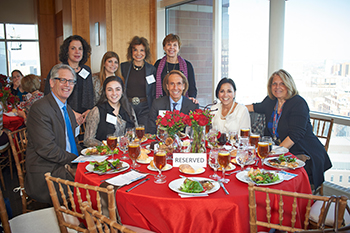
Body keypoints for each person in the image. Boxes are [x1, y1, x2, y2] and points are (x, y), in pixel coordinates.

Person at [246, 69, 332, 189]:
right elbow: (255, 107)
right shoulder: (272, 101)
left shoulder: (298, 103)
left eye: (282, 83)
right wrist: (231, 105)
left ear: (289, 85)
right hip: (280, 150)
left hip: (303, 151)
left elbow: (295, 135)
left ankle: (286, 202)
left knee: (277, 176)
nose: (277, 87)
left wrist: (274, 154)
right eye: (274, 84)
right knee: (259, 170)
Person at [25, 64, 80, 204]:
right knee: (94, 187)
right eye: (62, 80)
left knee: (101, 176)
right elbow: (47, 149)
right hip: (47, 171)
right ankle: (86, 223)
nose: (68, 85)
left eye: (71, 81)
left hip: (64, 164)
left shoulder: (67, 109)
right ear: (51, 82)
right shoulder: (40, 109)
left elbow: (71, 142)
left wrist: (88, 156)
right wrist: (77, 160)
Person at [44, 35, 94, 126]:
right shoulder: (58, 70)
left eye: (80, 49)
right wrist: (70, 112)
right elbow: (49, 95)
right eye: (73, 48)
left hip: (84, 119)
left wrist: (89, 111)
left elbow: (91, 94)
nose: (77, 52)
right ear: (67, 51)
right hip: (63, 116)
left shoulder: (86, 70)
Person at [84, 76, 137, 147]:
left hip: (126, 153)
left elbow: (136, 132)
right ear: (105, 92)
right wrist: (106, 145)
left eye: (117, 89)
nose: (114, 93)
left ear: (122, 91)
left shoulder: (128, 108)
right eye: (109, 90)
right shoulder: (96, 111)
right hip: (104, 154)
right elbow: (88, 140)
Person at [121, 36, 156, 129]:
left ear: (146, 52)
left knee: (143, 134)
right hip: (127, 106)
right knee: (128, 134)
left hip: (145, 108)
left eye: (142, 50)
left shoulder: (151, 69)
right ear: (131, 52)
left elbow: (154, 91)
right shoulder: (124, 67)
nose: (138, 53)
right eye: (135, 50)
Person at [147, 70, 199, 134]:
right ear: (167, 86)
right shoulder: (157, 104)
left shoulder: (193, 106)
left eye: (179, 83)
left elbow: (195, 132)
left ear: (184, 86)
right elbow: (151, 129)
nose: (175, 88)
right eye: (172, 84)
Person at [154, 33, 197, 99]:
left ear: (178, 48)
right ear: (164, 48)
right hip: (162, 102)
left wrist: (191, 98)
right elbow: (153, 86)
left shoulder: (187, 65)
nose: (171, 47)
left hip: (182, 103)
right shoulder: (158, 64)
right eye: (169, 44)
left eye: (175, 45)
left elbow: (192, 87)